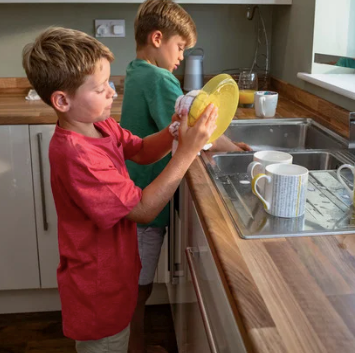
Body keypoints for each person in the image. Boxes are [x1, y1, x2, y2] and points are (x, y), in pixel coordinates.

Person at [22, 27, 218, 353]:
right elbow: (143, 209)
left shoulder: (100, 124)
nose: (112, 93)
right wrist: (186, 152)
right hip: (97, 289)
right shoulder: (76, 154)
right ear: (62, 100)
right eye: (100, 88)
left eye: (110, 83)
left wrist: (173, 132)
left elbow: (140, 150)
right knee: (108, 342)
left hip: (115, 273)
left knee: (121, 337)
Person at [121, 0, 250, 353]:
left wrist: (226, 144)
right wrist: (231, 149)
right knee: (139, 288)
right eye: (180, 47)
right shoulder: (160, 79)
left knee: (135, 285)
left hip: (136, 189)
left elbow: (186, 125)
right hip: (148, 198)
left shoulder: (136, 70)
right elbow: (195, 129)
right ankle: (136, 348)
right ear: (158, 38)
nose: (181, 57)